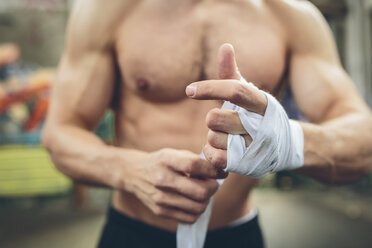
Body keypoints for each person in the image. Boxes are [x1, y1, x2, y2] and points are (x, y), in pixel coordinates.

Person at [42, 0, 372, 247]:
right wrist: (127, 169)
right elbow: (60, 133)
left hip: (236, 234)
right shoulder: (108, 9)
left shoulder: (290, 16)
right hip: (132, 232)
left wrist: (287, 143)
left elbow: (363, 143)